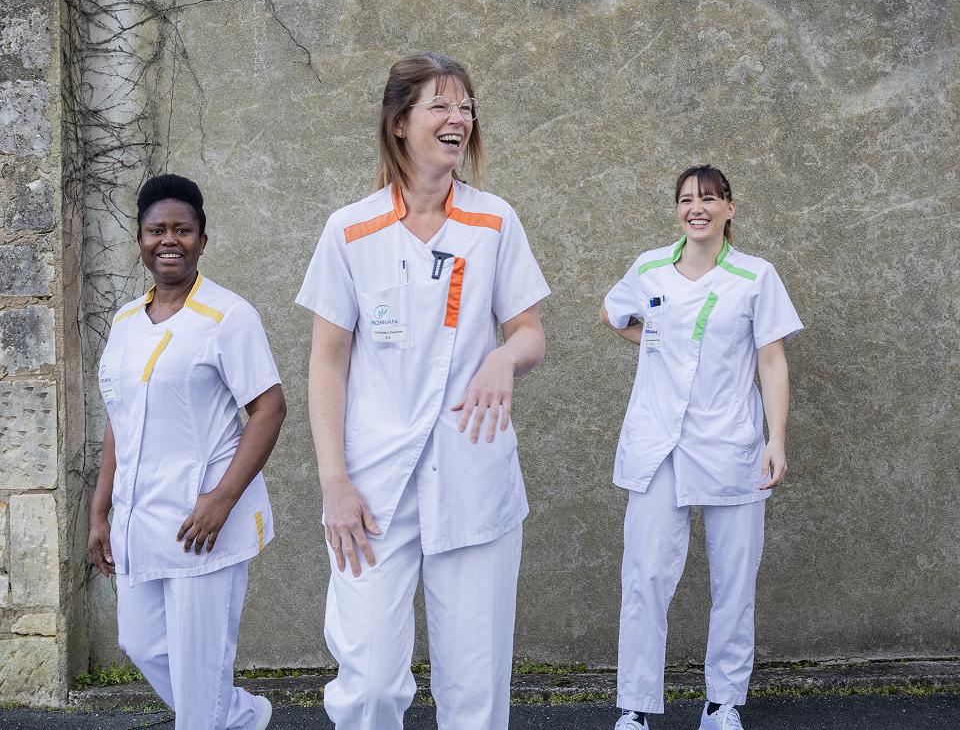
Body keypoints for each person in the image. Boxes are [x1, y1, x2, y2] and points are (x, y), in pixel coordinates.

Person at [296, 51, 550, 730]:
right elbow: (327, 363)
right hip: (371, 487)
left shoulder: (495, 221)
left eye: (465, 107)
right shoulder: (350, 230)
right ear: (400, 123)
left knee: (474, 694)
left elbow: (530, 331)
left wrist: (504, 358)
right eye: (440, 105)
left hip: (472, 474)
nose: (457, 118)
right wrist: (333, 482)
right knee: (370, 687)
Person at [601, 165, 803, 730]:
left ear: (729, 209)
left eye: (710, 199)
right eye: (687, 199)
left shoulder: (755, 276)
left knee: (734, 580)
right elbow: (612, 313)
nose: (698, 208)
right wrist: (650, 339)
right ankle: (635, 707)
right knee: (645, 576)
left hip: (731, 443)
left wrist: (776, 439)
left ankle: (722, 704)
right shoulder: (649, 267)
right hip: (659, 445)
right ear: (677, 210)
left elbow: (771, 361)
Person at [88, 173, 286, 730]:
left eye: (183, 229)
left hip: (203, 523)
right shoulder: (126, 321)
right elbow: (120, 417)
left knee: (199, 682)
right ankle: (243, 716)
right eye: (157, 230)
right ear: (140, 239)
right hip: (139, 519)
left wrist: (221, 500)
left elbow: (269, 408)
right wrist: (100, 510)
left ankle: (220, 716)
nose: (168, 240)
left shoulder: (228, 316)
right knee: (141, 643)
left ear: (202, 239)